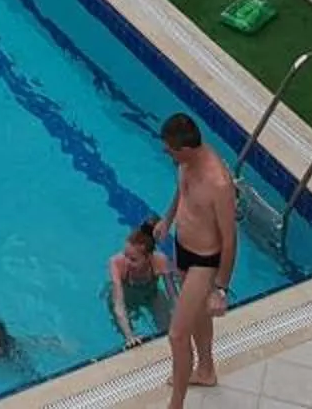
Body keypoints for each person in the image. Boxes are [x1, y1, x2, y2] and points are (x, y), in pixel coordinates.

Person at [157, 113, 234, 407]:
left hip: (205, 260)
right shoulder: (186, 161)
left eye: (170, 150)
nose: (167, 154)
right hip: (183, 249)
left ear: (185, 149)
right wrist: (168, 218)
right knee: (198, 317)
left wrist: (220, 289)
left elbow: (230, 239)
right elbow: (182, 191)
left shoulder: (219, 183)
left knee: (177, 335)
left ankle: (175, 404)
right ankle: (205, 370)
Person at [107, 217, 173, 346]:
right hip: (125, 298)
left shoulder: (160, 262)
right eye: (125, 255)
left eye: (133, 259)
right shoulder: (116, 263)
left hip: (151, 295)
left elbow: (174, 298)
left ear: (148, 257)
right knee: (127, 336)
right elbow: (119, 305)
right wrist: (129, 336)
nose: (127, 261)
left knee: (169, 329)